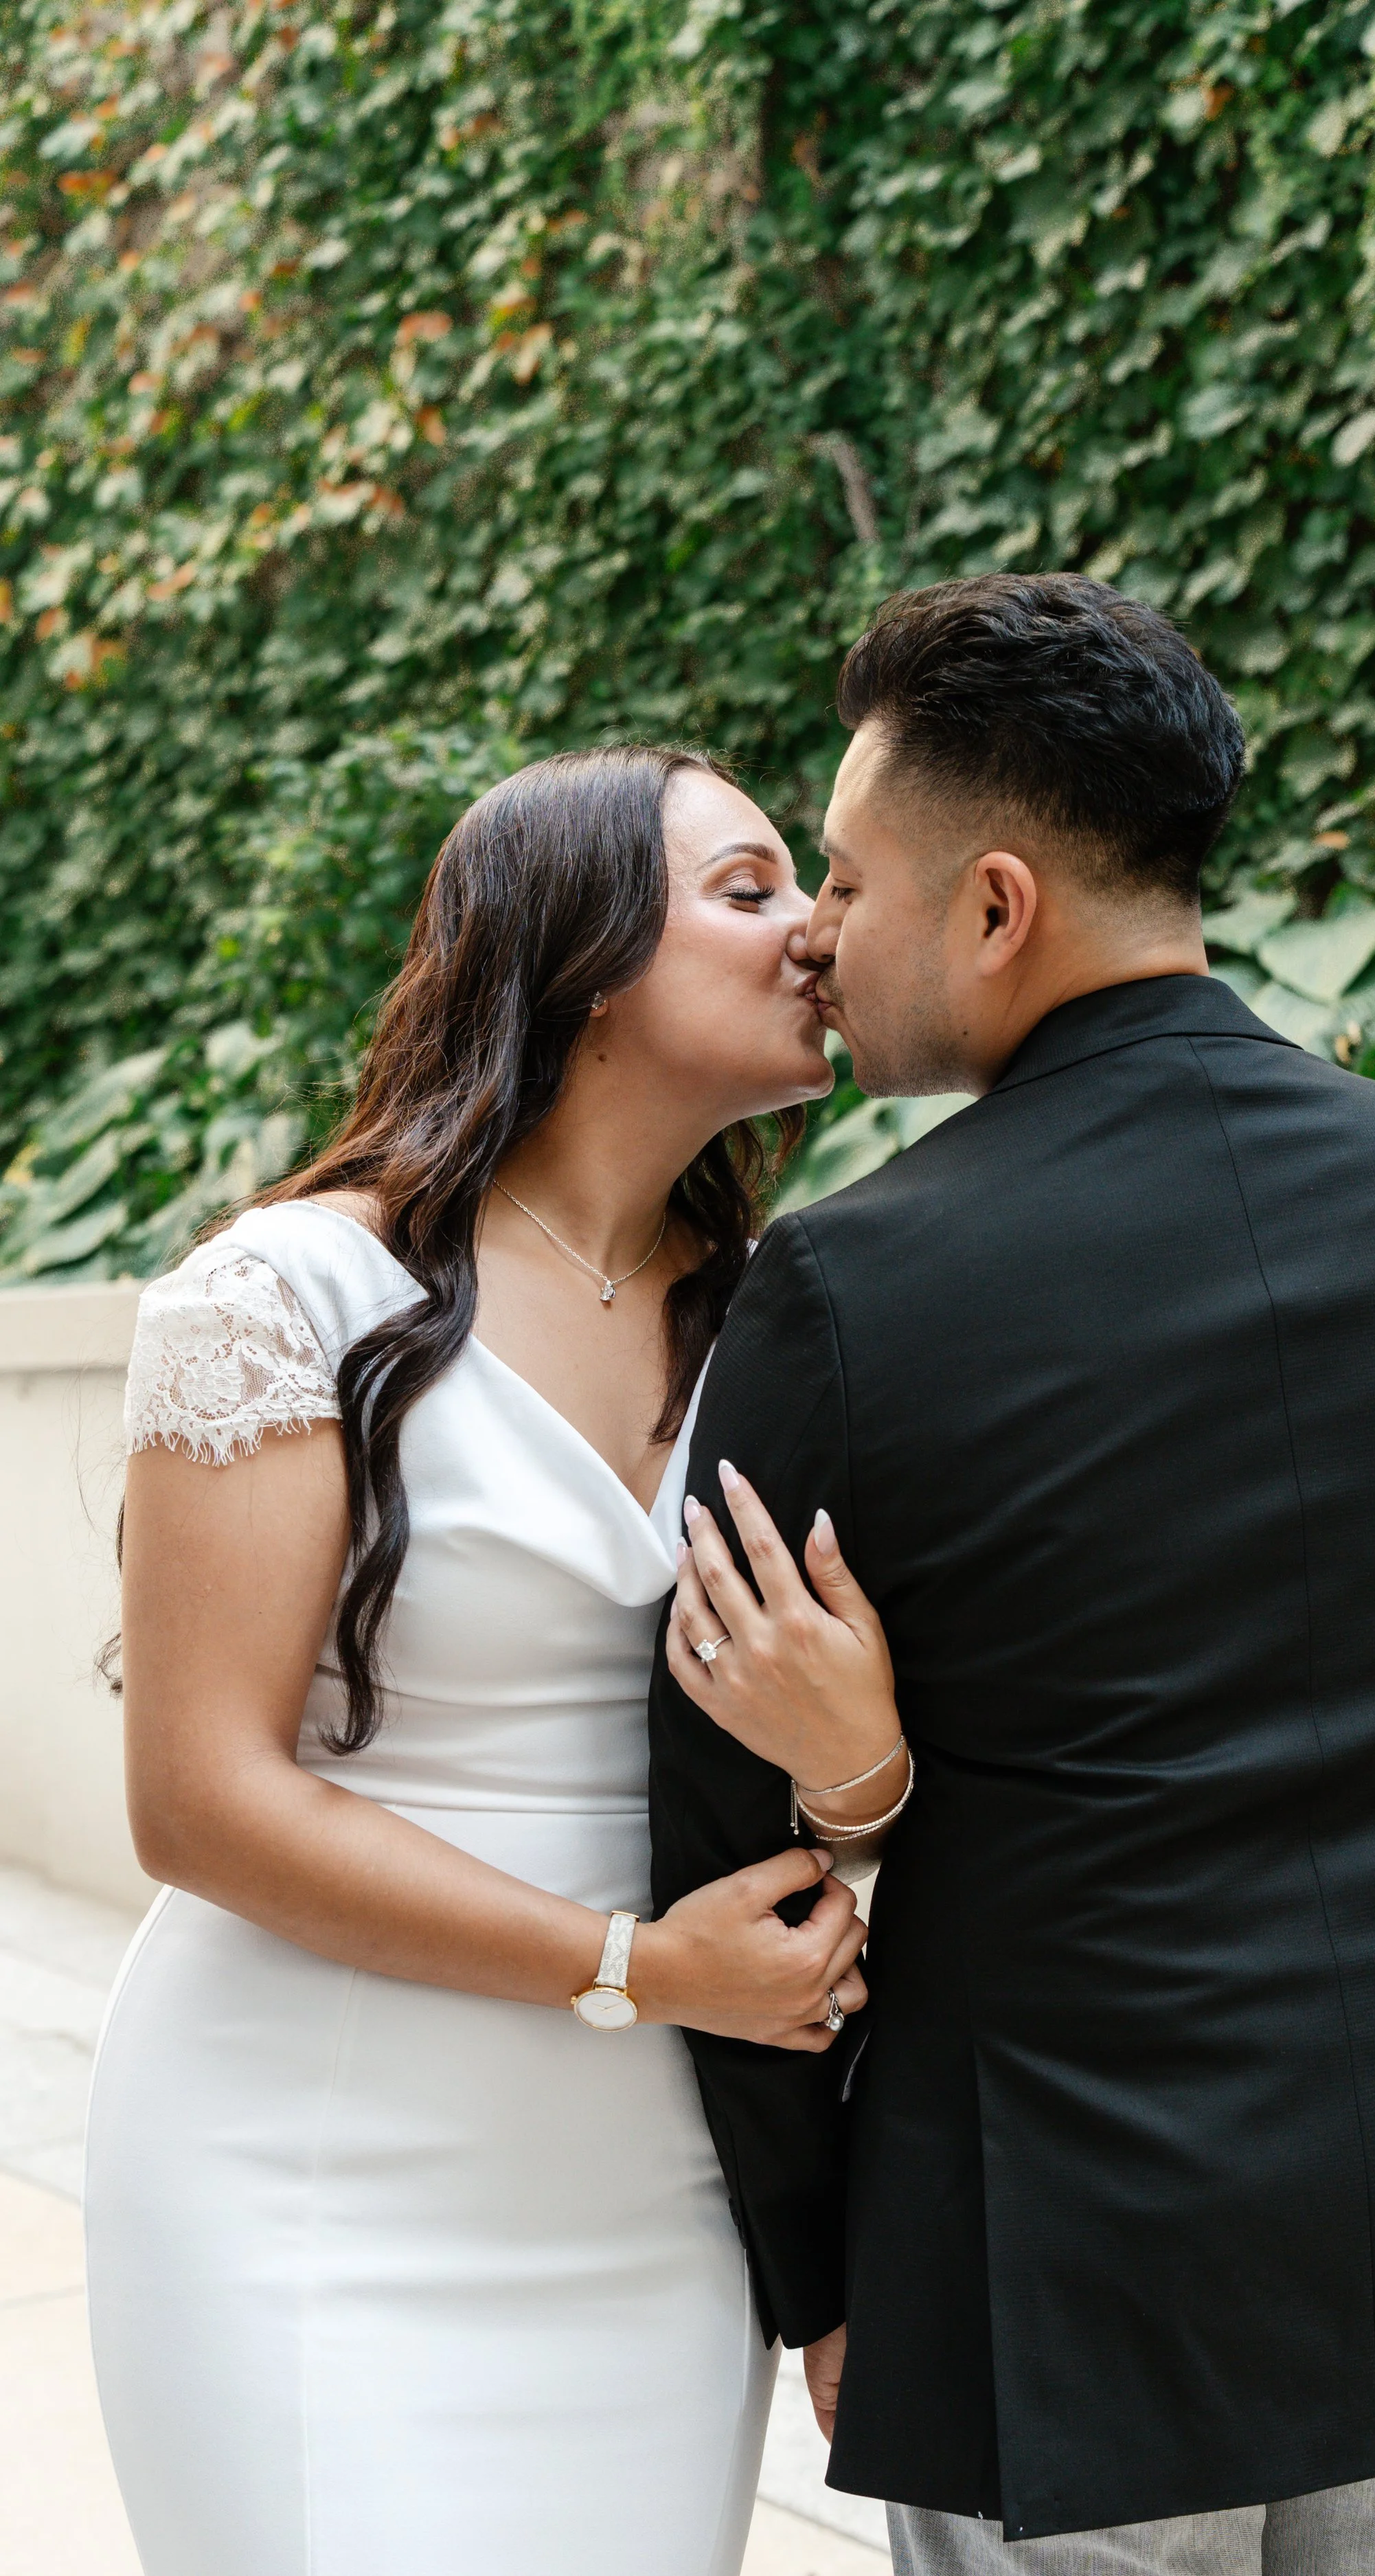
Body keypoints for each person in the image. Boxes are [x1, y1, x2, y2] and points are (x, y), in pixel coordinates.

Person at [648, 574, 1375, 2575]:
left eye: (848, 877)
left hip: (1061, 2275)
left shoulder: (851, 1292)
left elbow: (716, 1832)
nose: (824, 935)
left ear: (999, 904)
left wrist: (818, 2267)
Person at [87, 745, 896, 2576]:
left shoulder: (793, 1320)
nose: (812, 935)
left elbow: (833, 1747)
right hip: (305, 2165)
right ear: (592, 949)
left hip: (657, 2191)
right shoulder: (288, 1295)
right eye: (751, 887)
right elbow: (200, 1801)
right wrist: (631, 1965)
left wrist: (852, 1787)